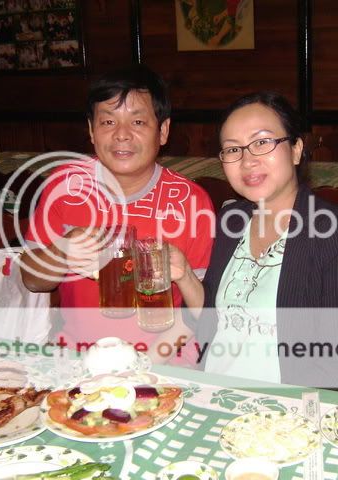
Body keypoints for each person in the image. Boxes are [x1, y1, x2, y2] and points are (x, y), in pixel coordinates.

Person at [171, 91, 338, 387]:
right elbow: (209, 322)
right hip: (216, 390)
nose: (247, 161)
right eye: (233, 149)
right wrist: (185, 276)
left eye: (262, 142)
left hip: (289, 403)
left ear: (296, 150)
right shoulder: (232, 220)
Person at [20, 65, 214, 360]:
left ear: (163, 131)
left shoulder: (191, 201)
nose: (122, 134)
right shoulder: (64, 185)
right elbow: (32, 280)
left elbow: (200, 309)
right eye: (108, 121)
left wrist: (145, 363)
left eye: (138, 121)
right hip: (78, 355)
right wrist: (63, 249)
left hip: (165, 358)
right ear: (91, 130)